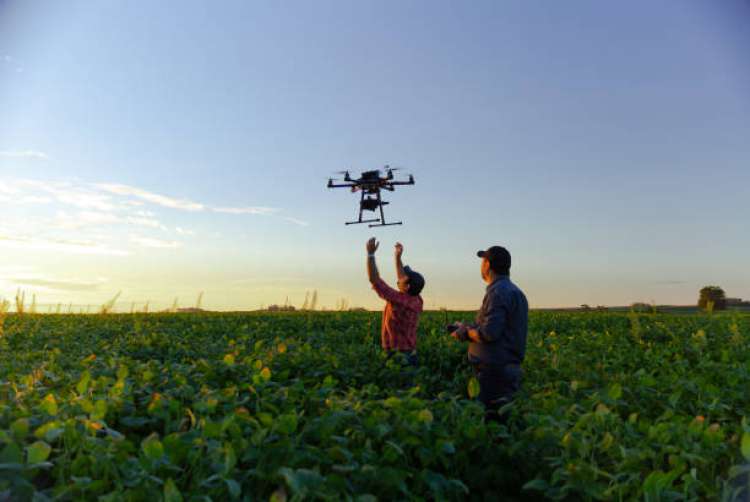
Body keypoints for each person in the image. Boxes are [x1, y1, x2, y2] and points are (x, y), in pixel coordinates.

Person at [450, 245, 528, 423]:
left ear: (488, 265)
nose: (481, 265)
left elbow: (488, 333)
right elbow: (497, 326)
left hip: (494, 373)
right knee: (502, 422)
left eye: (483, 261)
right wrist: (467, 326)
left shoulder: (498, 292)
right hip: (505, 369)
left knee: (492, 424)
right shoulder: (515, 292)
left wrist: (465, 333)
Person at [366, 237, 425, 368]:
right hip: (410, 354)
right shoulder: (417, 300)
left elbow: (374, 279)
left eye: (404, 276)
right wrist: (397, 257)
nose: (400, 276)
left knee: (396, 386)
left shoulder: (398, 300)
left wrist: (370, 255)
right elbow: (401, 278)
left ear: (407, 287)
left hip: (398, 356)